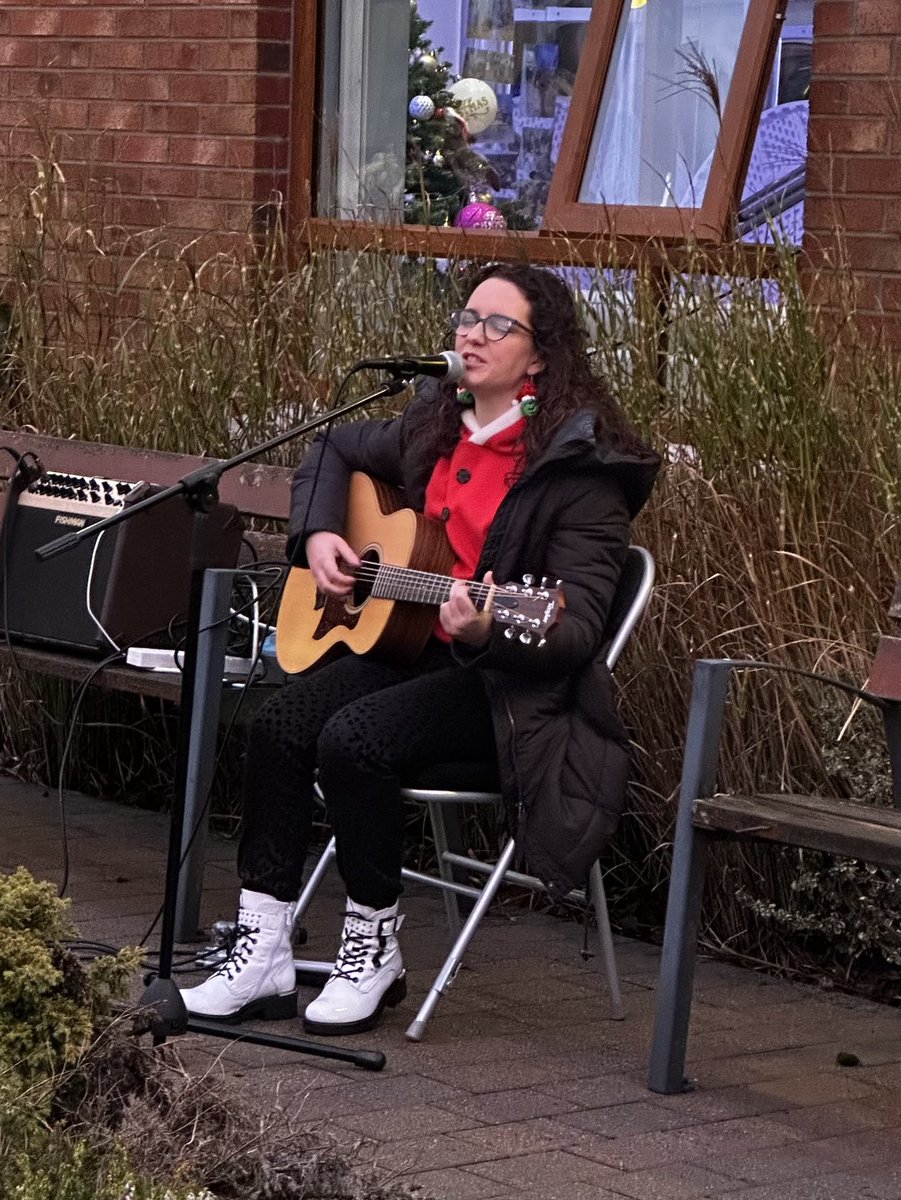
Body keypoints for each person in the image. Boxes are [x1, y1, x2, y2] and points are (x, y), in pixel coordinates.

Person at [180, 263, 661, 1036]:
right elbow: (334, 448)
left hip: (505, 691)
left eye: (496, 324)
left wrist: (488, 625)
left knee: (355, 739)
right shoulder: (433, 423)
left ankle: (372, 948)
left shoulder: (580, 475)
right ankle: (263, 950)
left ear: (540, 356)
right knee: (279, 725)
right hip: (410, 651)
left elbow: (572, 629)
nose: (471, 334)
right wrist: (323, 536)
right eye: (466, 317)